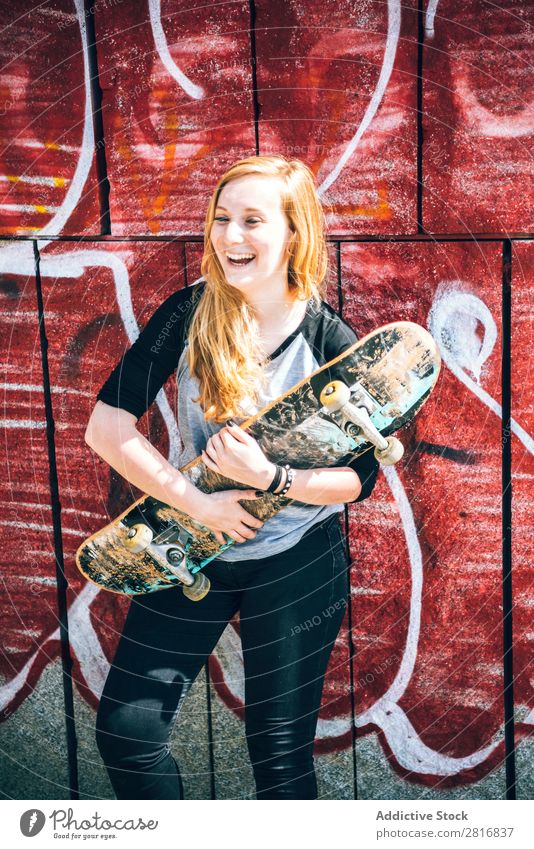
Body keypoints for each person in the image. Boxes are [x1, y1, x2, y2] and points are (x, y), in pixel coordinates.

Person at [86, 154, 379, 800]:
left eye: (252, 219)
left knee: (279, 761)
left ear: (295, 232)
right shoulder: (189, 314)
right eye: (222, 218)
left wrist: (271, 476)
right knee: (127, 731)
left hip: (298, 560)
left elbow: (361, 478)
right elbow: (106, 428)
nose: (230, 235)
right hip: (195, 545)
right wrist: (198, 504)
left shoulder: (327, 338)